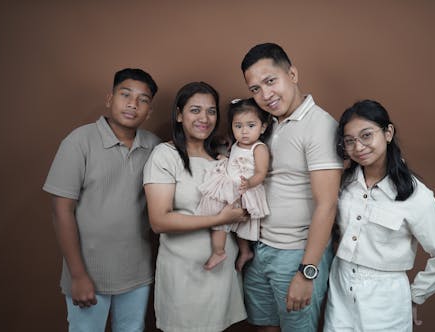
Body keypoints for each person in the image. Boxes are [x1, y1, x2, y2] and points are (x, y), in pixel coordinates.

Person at [42, 68, 160, 331]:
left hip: (137, 273)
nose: (133, 104)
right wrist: (78, 275)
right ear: (109, 98)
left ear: (149, 111)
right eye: (125, 94)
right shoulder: (78, 142)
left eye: (143, 100)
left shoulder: (153, 146)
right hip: (88, 273)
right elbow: (61, 212)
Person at [324, 100, 435, 331]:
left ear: (388, 133)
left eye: (366, 135)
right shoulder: (343, 184)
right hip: (340, 286)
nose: (359, 147)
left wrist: (415, 296)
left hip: (386, 297)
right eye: (350, 141)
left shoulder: (416, 196)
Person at [240, 42, 344, 331]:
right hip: (261, 250)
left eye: (270, 81)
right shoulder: (268, 125)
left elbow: (327, 204)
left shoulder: (319, 125)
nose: (265, 94)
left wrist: (306, 272)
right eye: (255, 89)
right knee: (264, 326)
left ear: (293, 74)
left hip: (296, 255)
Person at [143, 81, 248, 331]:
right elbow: (159, 221)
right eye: (195, 110)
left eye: (211, 111)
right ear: (179, 115)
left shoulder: (224, 156)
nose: (205, 118)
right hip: (183, 271)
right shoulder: (165, 155)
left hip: (222, 271)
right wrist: (219, 219)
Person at [196, 98, 272, 271]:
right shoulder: (236, 144)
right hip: (230, 185)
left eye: (251, 126)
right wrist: (227, 159)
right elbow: (236, 161)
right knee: (225, 219)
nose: (244, 131)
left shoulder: (259, 148)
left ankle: (231, 251)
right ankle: (231, 251)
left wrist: (249, 183)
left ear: (263, 127)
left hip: (246, 188)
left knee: (235, 223)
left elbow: (261, 172)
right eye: (238, 126)